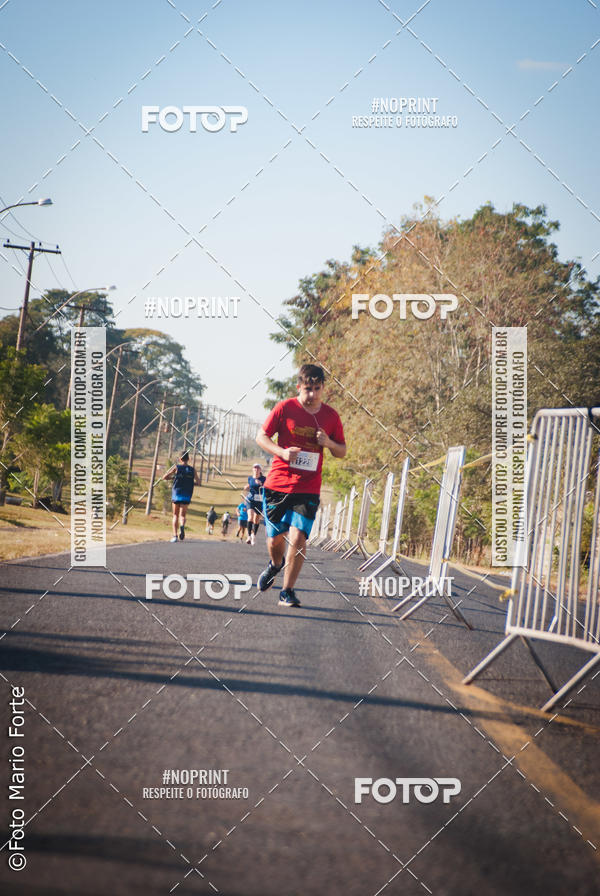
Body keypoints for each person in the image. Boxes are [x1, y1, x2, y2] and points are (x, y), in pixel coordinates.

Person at [256, 363, 346, 607]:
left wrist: (328, 443)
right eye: (307, 389)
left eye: (317, 389)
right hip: (278, 484)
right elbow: (261, 436)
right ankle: (275, 564)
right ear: (298, 387)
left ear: (323, 388)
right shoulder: (285, 408)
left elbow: (342, 451)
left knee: (298, 537)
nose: (312, 394)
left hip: (308, 487)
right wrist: (282, 453)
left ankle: (287, 591)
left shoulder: (331, 416)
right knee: (275, 540)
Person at [164, 450, 200, 543]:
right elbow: (199, 483)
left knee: (175, 515)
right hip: (187, 494)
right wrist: (190, 483)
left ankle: (175, 536)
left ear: (180, 459)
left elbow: (165, 477)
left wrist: (174, 477)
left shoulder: (177, 468)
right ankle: (182, 526)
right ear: (188, 459)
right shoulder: (192, 470)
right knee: (182, 515)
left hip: (176, 493)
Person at [244, 463, 266, 545]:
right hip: (250, 500)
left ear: (260, 470)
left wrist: (261, 484)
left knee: (256, 520)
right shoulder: (250, 478)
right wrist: (246, 487)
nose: (256, 469)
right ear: (253, 469)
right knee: (250, 517)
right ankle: (249, 536)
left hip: (259, 501)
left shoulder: (264, 479)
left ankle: (254, 535)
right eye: (255, 468)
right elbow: (249, 486)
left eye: (258, 468)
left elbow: (267, 488)